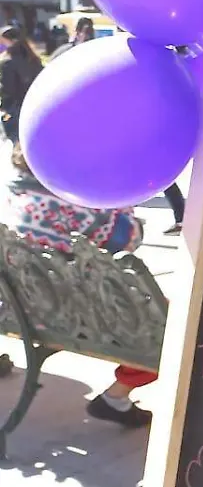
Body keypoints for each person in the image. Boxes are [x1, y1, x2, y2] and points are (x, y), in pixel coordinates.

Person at [0, 143, 156, 427]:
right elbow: (131, 238)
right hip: (78, 319)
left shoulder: (13, 196)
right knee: (171, 327)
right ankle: (115, 397)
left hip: (18, 311)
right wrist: (122, 199)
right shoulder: (84, 207)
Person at [0, 26, 44, 143]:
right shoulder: (34, 59)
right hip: (36, 107)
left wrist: (4, 107)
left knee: (18, 143)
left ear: (8, 41)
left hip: (17, 109)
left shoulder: (8, 63)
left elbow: (8, 91)